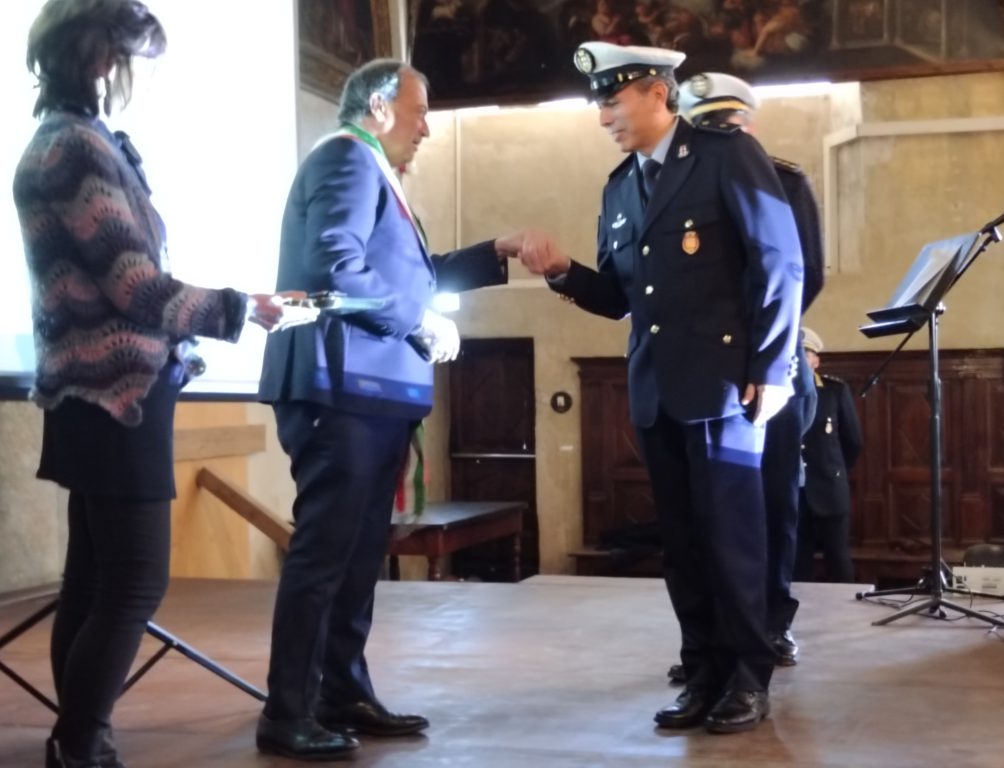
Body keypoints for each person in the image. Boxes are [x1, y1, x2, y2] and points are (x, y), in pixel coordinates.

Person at [13, 2, 313, 766]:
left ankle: (79, 742)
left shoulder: (68, 140)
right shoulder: (76, 148)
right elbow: (135, 286)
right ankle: (79, 743)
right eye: (137, 59)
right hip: (116, 398)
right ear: (100, 57)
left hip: (94, 394)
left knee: (93, 583)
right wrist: (242, 308)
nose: (142, 77)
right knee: (134, 583)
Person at [255, 59, 544, 761]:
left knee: (358, 557)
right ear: (380, 107)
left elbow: (406, 276)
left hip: (371, 391)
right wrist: (416, 322)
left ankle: (341, 692)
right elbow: (335, 266)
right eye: (419, 113)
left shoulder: (373, 171)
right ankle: (288, 711)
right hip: (340, 388)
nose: (426, 130)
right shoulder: (347, 160)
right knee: (326, 553)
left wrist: (495, 251)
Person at [520, 41, 803, 733]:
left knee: (732, 541)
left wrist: (771, 368)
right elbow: (620, 298)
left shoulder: (725, 155)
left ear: (655, 91)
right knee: (683, 546)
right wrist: (562, 272)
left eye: (612, 102)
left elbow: (781, 262)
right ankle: (702, 673)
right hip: (656, 393)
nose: (603, 118)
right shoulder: (619, 188)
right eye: (599, 106)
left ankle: (747, 676)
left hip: (726, 389)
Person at [676, 71, 824, 670]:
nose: (721, 133)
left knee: (774, 501)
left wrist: (759, 350)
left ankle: (772, 622)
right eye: (707, 124)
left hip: (773, 362)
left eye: (729, 122)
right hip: (706, 372)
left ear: (749, 123)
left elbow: (805, 275)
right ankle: (717, 636)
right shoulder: (672, 183)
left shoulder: (783, 180)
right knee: (707, 512)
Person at [795, 328, 863, 583]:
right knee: (796, 563)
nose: (799, 359)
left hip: (829, 490)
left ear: (816, 361)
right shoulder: (779, 393)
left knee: (838, 560)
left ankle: (844, 609)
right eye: (794, 354)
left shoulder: (834, 391)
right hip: (794, 493)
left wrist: (834, 470)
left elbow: (853, 441)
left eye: (805, 354)